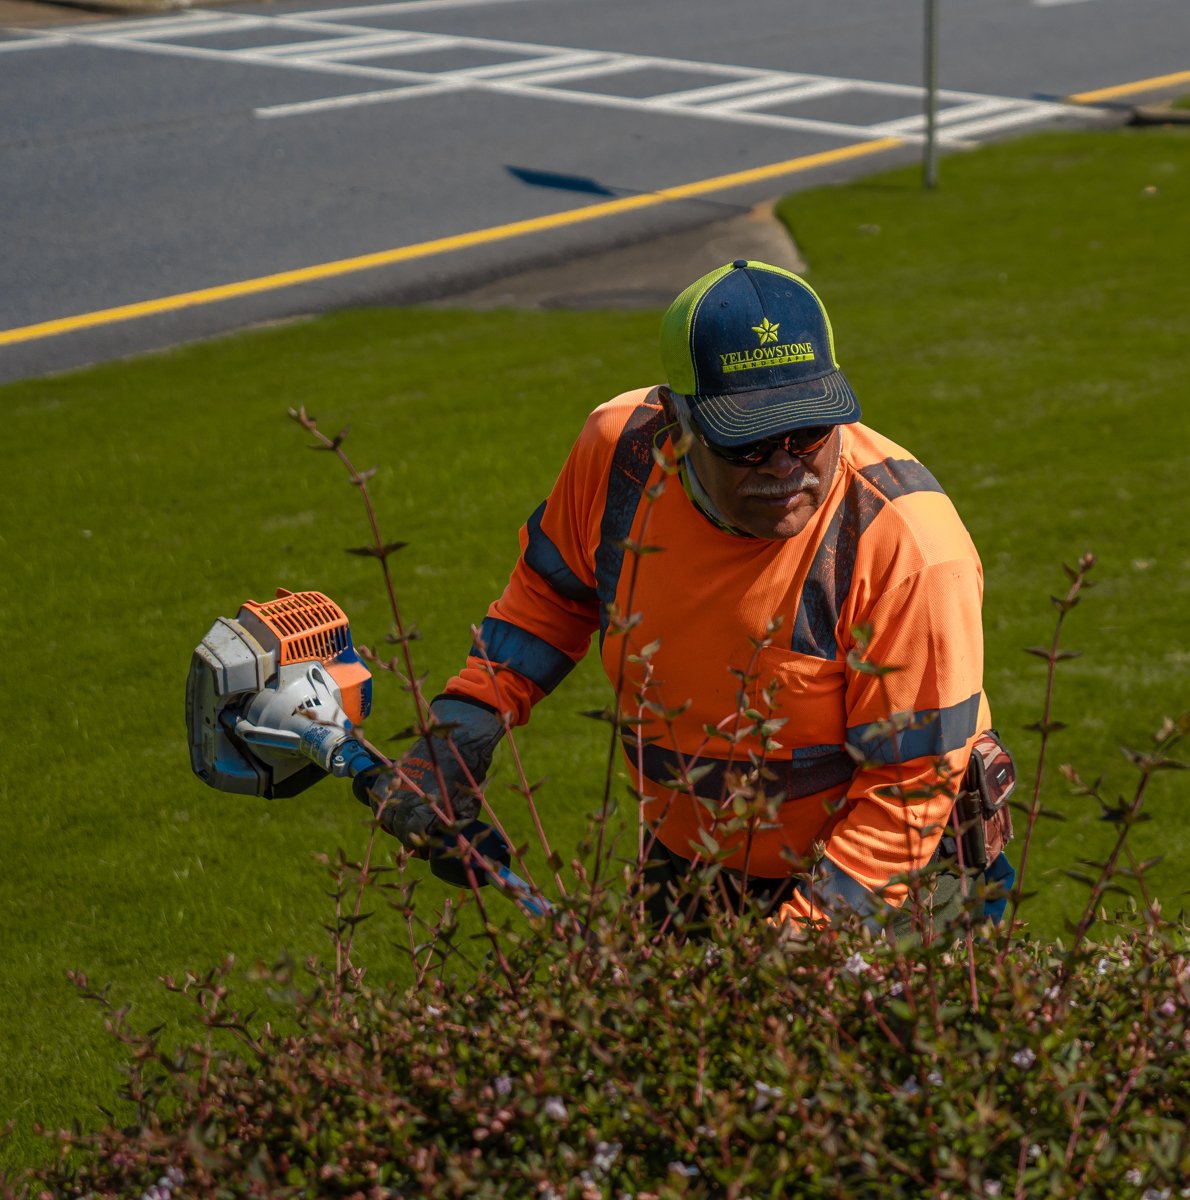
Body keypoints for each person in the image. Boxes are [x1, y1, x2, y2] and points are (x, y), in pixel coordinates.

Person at [365, 260, 1012, 929]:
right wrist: (467, 722)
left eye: (810, 432)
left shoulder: (908, 546)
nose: (786, 466)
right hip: (694, 860)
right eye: (750, 444)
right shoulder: (622, 453)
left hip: (895, 887)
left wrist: (800, 944)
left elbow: (908, 788)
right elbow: (554, 595)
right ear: (678, 419)